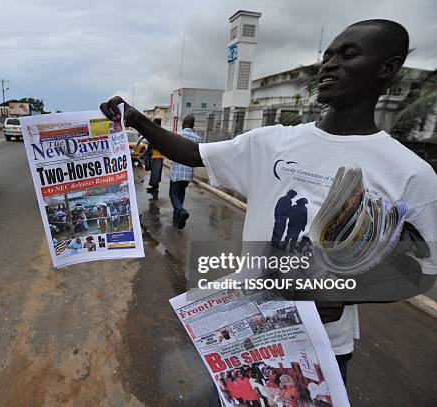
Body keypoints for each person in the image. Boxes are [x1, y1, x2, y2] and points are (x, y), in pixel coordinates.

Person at [101, 19, 437, 386]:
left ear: (387, 68)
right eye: (327, 56)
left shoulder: (410, 173)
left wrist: (348, 291)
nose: (329, 64)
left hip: (321, 347)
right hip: (247, 331)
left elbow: (424, 268)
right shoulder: (272, 142)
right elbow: (194, 153)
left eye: (348, 55)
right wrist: (137, 120)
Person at [169, 115, 201, 229]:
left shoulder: (177, 136)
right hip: (188, 172)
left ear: (183, 124)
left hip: (176, 171)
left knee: (173, 194)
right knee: (181, 193)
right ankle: (178, 216)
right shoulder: (197, 138)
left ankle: (181, 212)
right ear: (193, 125)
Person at [146, 118, 164, 193]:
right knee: (156, 171)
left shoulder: (157, 132)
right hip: (159, 155)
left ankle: (154, 188)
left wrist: (150, 144)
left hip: (157, 155)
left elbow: (155, 143)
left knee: (155, 172)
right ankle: (155, 186)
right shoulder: (161, 132)